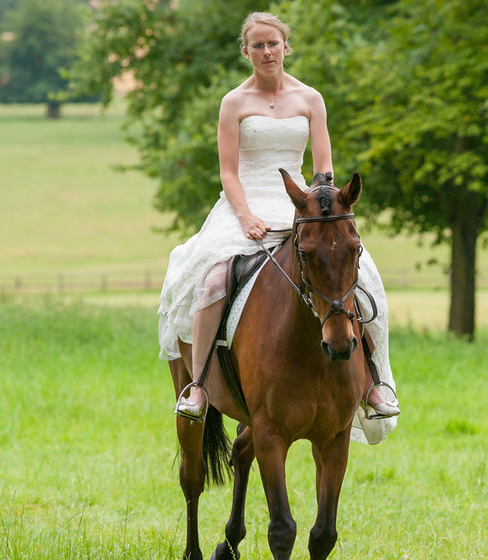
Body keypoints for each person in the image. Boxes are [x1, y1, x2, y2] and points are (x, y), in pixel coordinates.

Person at [158, 12, 399, 444]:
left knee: (365, 278)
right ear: (246, 51)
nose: (266, 52)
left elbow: (323, 165)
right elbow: (229, 173)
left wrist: (319, 205)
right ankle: (196, 386)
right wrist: (246, 215)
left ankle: (374, 382)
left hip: (302, 202)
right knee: (211, 279)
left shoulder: (311, 99)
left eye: (273, 44)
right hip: (244, 203)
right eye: (257, 45)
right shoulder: (234, 102)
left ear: (286, 47)